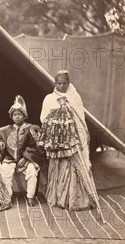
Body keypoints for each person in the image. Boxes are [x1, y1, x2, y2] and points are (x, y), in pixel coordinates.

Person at [39, 70, 99, 211]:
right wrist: (58, 119)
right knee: (58, 165)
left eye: (64, 83)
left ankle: (74, 198)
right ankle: (59, 198)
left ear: (68, 83)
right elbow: (43, 118)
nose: (61, 86)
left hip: (73, 138)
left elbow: (80, 119)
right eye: (59, 83)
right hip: (57, 140)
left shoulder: (74, 97)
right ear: (55, 83)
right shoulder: (49, 98)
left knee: (73, 166)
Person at [0, 95, 44, 207]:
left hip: (26, 159)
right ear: (11, 116)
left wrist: (25, 158)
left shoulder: (31, 129)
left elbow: (35, 147)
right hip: (10, 158)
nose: (17, 117)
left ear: (24, 116)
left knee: (31, 171)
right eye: (15, 115)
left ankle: (30, 196)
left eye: (19, 114)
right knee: (4, 171)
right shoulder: (6, 130)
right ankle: (8, 196)